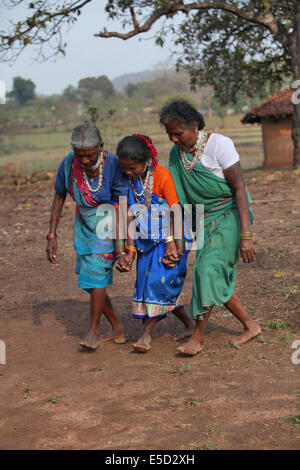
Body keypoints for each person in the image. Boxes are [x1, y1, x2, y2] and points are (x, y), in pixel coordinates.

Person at [159, 100, 261, 356]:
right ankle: (250, 325)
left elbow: (239, 188)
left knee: (206, 270)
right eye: (169, 134)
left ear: (194, 126)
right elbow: (178, 199)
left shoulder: (220, 145)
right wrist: (174, 237)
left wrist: (246, 235)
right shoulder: (177, 155)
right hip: (204, 220)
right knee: (213, 274)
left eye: (178, 133)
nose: (174, 139)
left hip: (231, 215)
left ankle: (198, 335)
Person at [46, 122, 129, 350]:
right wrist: (52, 234)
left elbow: (122, 205)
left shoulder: (113, 165)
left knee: (95, 275)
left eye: (90, 155)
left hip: (109, 225)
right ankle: (117, 328)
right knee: (91, 283)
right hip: (83, 225)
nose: (84, 161)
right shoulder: (68, 164)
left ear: (101, 146)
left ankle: (94, 330)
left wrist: (121, 248)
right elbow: (59, 196)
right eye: (79, 155)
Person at [115, 134, 194, 353]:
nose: (128, 172)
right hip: (147, 242)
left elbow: (174, 211)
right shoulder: (129, 182)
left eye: (132, 167)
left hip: (172, 237)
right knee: (148, 284)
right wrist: (129, 251)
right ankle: (189, 324)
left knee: (157, 284)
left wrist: (171, 243)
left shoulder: (162, 176)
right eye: (124, 168)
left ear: (147, 160)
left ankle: (146, 334)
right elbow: (130, 216)